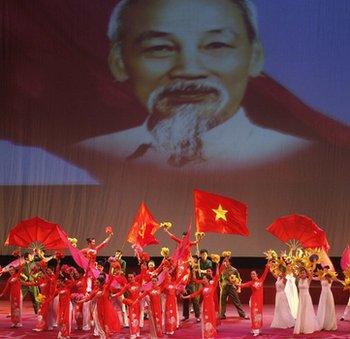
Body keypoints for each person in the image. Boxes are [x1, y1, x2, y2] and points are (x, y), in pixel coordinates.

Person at [182, 262, 226, 338]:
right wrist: (185, 297)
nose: (203, 280)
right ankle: (207, 331)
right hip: (204, 305)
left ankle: (212, 330)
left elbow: (218, 275)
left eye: (205, 279)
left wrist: (218, 266)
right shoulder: (203, 288)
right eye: (203, 279)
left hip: (211, 304)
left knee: (212, 317)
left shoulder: (213, 285)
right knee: (206, 318)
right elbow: (195, 294)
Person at [239, 265, 269, 336]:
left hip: (260, 301)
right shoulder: (251, 283)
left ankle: (258, 329)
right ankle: (255, 329)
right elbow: (243, 285)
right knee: (253, 315)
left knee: (259, 314)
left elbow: (265, 272)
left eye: (253, 274)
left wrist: (268, 265)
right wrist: (236, 284)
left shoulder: (261, 280)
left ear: (257, 274)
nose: (252, 275)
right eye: (251, 274)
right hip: (254, 301)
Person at [293, 267, 319, 335]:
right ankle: (301, 327)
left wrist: (306, 268)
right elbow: (294, 274)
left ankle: (308, 327)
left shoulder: (308, 280)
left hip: (306, 298)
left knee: (307, 311)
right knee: (301, 312)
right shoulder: (299, 279)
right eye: (301, 273)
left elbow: (310, 274)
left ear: (306, 274)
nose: (302, 274)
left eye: (304, 273)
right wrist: (299, 270)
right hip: (301, 298)